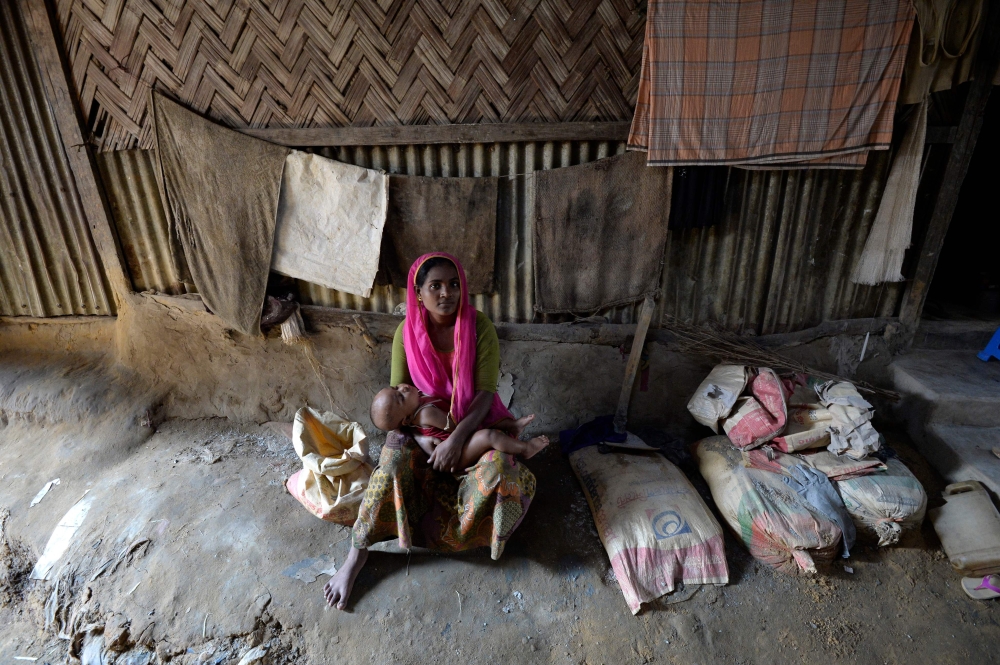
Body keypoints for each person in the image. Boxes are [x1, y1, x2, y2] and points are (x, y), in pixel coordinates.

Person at [323, 253, 538, 610]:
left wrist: (454, 441)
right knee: (391, 460)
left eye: (453, 284)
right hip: (424, 432)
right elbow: (399, 406)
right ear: (418, 292)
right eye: (434, 286)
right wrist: (426, 441)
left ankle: (479, 537)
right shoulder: (406, 334)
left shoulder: (478, 327)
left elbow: (485, 395)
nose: (446, 293)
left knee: (501, 468)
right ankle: (355, 556)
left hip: (472, 426)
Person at [369, 383, 549, 466]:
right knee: (488, 436)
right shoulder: (426, 413)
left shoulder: (417, 403)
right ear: (407, 420)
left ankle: (512, 426)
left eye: (395, 387)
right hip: (457, 454)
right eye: (400, 397)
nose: (403, 388)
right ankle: (525, 448)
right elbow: (457, 428)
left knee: (482, 409)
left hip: (457, 444)